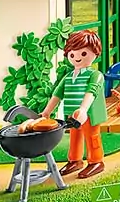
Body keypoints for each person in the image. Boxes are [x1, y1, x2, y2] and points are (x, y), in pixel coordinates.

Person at [39, 29, 108, 179]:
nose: (77, 57)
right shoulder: (68, 76)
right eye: (72, 54)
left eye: (83, 53)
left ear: (95, 53)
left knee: (92, 136)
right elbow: (57, 94)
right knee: (75, 137)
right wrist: (47, 111)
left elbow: (92, 91)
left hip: (90, 114)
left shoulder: (95, 75)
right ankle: (75, 160)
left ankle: (96, 161)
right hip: (72, 113)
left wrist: (83, 109)